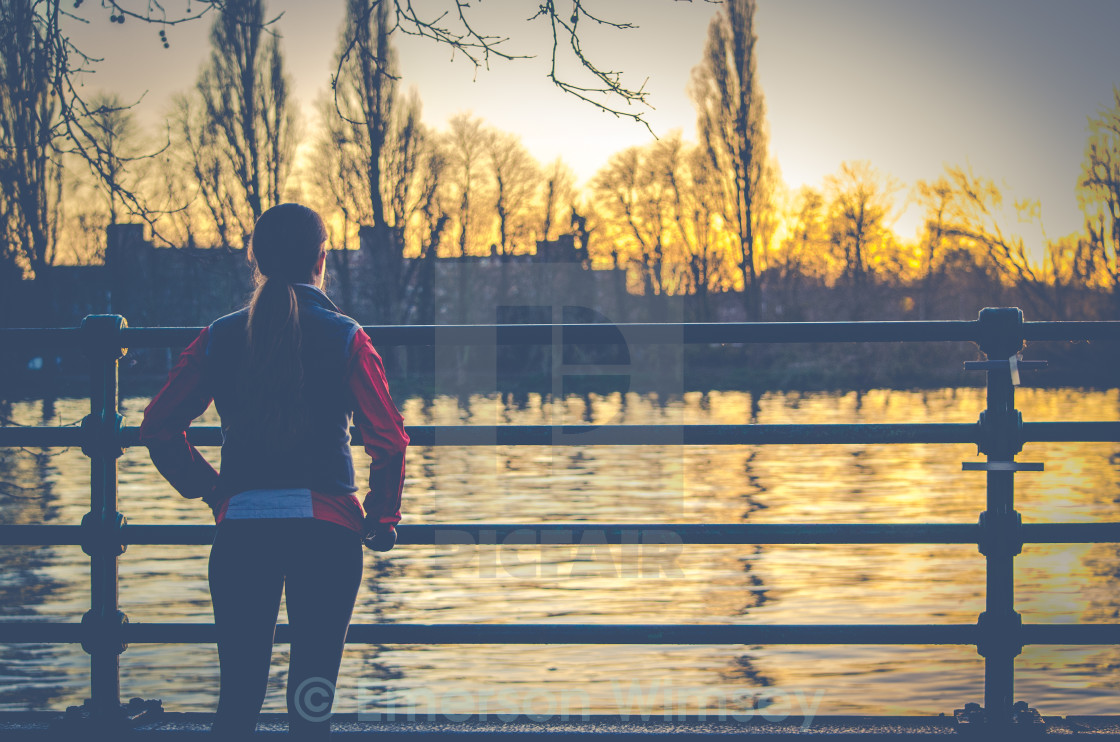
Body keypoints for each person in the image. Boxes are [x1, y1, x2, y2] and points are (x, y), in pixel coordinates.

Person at [139, 203, 409, 739]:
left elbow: (159, 425)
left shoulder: (218, 336)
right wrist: (380, 518)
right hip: (327, 530)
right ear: (321, 260)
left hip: (242, 529)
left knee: (237, 699)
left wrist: (211, 489)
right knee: (312, 703)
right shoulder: (348, 337)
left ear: (256, 261)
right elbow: (389, 442)